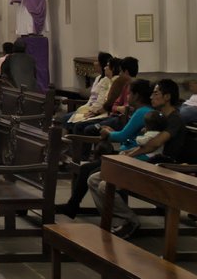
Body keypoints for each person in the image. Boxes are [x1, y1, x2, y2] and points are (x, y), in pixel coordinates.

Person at [89, 79, 187, 238]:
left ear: (167, 97)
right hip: (146, 164)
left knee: (105, 185)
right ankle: (119, 220)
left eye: (156, 93)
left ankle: (130, 221)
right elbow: (144, 142)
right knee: (93, 180)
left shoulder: (174, 119)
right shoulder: (158, 116)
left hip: (163, 170)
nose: (151, 97)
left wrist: (129, 156)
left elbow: (155, 143)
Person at [57, 78, 153, 218]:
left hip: (131, 158)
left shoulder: (141, 111)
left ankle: (110, 215)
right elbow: (128, 134)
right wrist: (111, 131)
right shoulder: (143, 111)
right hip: (126, 155)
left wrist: (108, 133)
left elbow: (122, 136)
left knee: (90, 171)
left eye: (129, 93)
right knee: (86, 169)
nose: (127, 96)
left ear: (137, 96)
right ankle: (73, 206)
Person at [61, 52, 112, 126]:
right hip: (89, 107)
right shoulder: (98, 78)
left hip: (97, 111)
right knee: (65, 118)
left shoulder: (107, 81)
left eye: (97, 61)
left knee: (74, 122)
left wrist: (92, 111)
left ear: (102, 64)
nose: (95, 63)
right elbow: (91, 98)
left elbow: (101, 101)